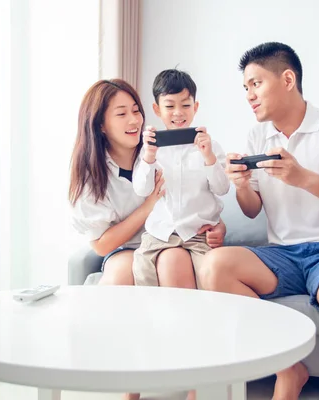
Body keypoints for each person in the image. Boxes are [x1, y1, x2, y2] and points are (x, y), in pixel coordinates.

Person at [200, 42, 319, 400]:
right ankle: (289, 369)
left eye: (256, 84)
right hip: (282, 254)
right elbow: (252, 209)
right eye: (245, 88)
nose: (249, 95)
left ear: (287, 79)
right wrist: (241, 186)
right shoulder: (257, 136)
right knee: (213, 266)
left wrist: (302, 177)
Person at [69, 79, 226, 400]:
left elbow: (197, 194)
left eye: (136, 111)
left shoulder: (162, 143)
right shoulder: (92, 172)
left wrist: (218, 223)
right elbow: (101, 245)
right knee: (119, 279)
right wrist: (149, 205)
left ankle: (193, 375)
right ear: (100, 125)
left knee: (173, 263)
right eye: (121, 114)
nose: (134, 120)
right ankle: (130, 386)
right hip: (125, 246)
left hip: (173, 240)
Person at [132, 69, 230, 289]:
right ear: (157, 109)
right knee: (142, 268)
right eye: (169, 106)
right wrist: (149, 157)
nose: (178, 112)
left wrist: (209, 157)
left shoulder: (210, 147)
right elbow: (141, 189)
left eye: (185, 105)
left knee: (213, 280)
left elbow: (222, 188)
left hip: (199, 233)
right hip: (160, 232)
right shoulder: (149, 148)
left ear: (195, 107)